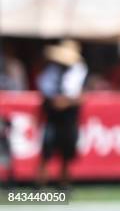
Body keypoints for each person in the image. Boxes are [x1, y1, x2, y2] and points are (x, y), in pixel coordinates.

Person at [36, 39, 87, 189]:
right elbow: (45, 90)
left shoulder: (79, 71)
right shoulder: (52, 70)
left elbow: (81, 96)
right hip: (52, 116)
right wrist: (55, 101)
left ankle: (64, 184)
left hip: (69, 117)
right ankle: (41, 184)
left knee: (67, 152)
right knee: (47, 149)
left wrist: (67, 102)